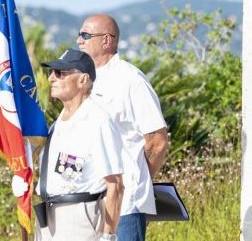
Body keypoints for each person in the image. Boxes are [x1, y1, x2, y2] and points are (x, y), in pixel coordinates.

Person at [13, 49, 124, 241]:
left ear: (83, 80)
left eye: (60, 73)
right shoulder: (58, 123)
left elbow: (115, 184)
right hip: (49, 216)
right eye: (52, 72)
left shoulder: (97, 121)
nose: (51, 78)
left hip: (79, 216)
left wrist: (108, 235)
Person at [77, 14, 169, 241]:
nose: (79, 40)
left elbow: (157, 141)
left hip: (125, 205)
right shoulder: (85, 79)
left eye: (85, 35)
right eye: (79, 35)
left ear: (107, 40)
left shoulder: (130, 80)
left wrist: (138, 180)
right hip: (90, 203)